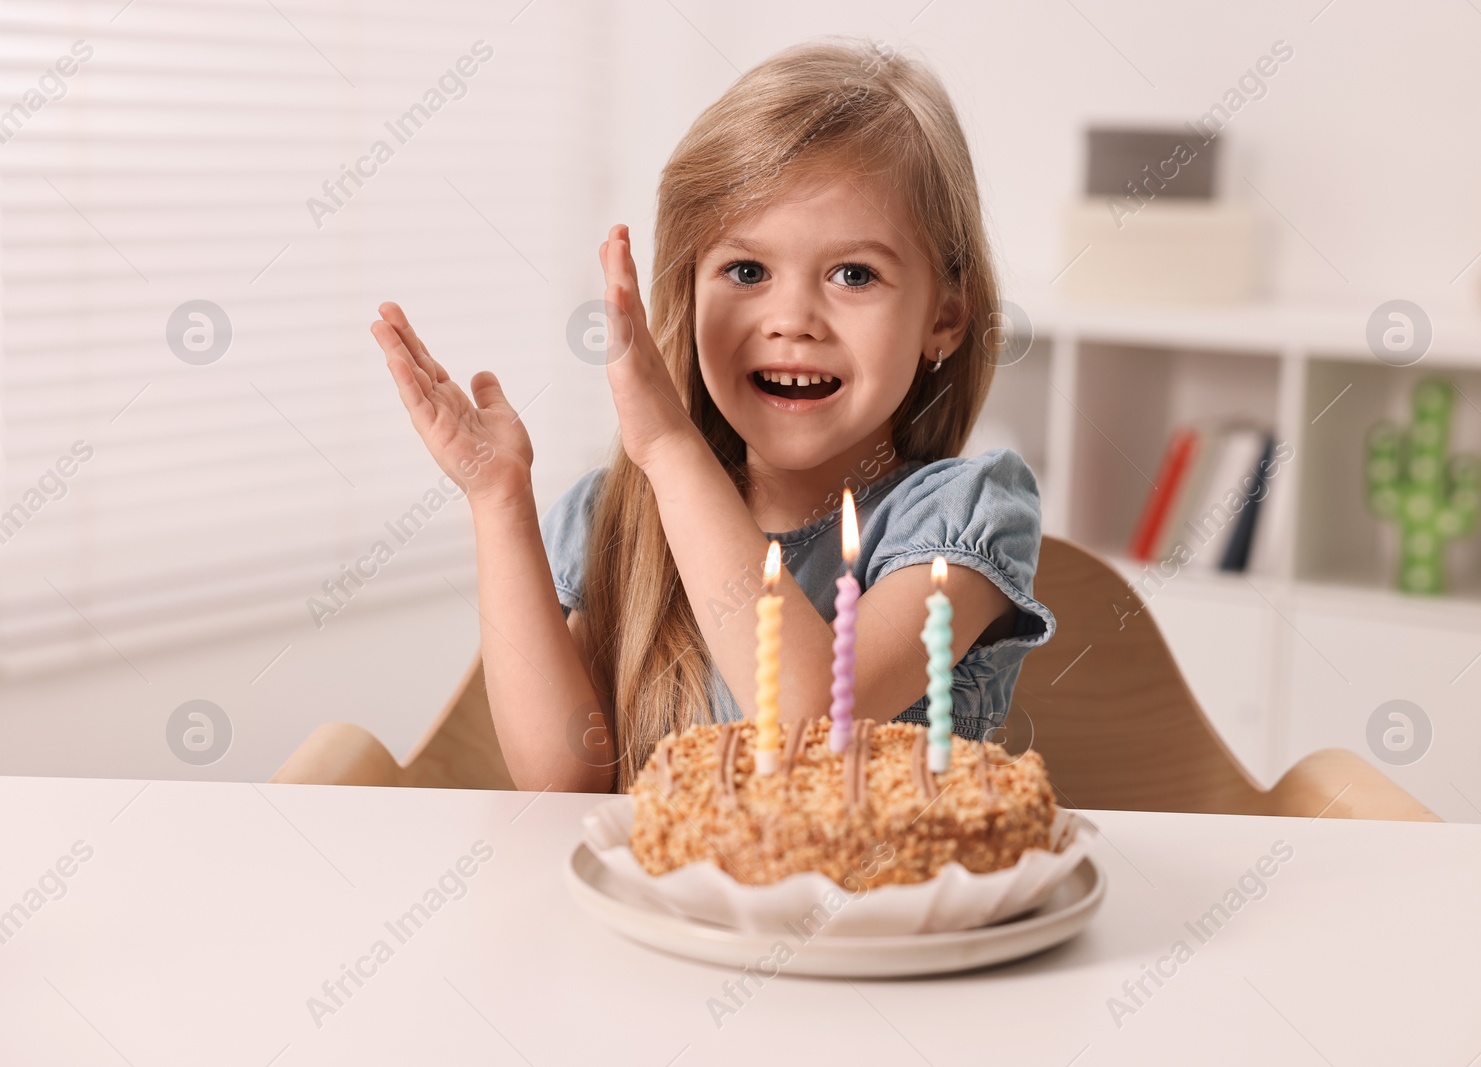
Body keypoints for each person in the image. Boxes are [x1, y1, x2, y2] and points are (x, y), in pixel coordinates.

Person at [369, 37, 1054, 793]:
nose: (792, 317)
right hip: (665, 912)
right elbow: (564, 779)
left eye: (854, 273)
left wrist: (668, 445)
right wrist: (498, 500)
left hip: (885, 909)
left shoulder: (963, 518)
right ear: (690, 293)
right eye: (747, 270)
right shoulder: (620, 519)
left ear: (947, 316)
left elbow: (808, 721)